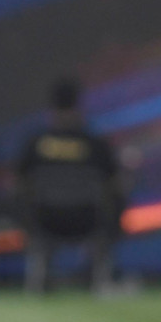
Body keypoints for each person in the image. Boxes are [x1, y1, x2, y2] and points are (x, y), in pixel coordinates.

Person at [14, 78, 123, 293]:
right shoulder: (95, 144)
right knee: (117, 199)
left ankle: (38, 273)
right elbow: (115, 182)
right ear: (78, 105)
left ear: (52, 106)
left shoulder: (36, 143)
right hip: (88, 219)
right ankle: (101, 276)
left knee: (19, 199)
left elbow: (18, 182)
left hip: (46, 220)